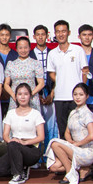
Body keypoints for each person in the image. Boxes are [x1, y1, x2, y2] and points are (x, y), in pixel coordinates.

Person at [0, 83, 45, 184]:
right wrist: (10, 141)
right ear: (15, 96)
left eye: (26, 94)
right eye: (20, 94)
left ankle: (18, 174)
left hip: (31, 149)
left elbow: (41, 137)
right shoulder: (11, 113)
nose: (23, 97)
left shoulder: (36, 114)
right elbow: (5, 135)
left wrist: (25, 142)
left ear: (30, 96)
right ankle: (22, 167)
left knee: (14, 145)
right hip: (14, 147)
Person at [46, 83, 93, 184]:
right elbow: (67, 133)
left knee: (55, 144)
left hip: (86, 151)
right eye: (75, 94)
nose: (77, 97)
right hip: (74, 148)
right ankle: (82, 169)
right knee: (54, 167)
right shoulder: (72, 113)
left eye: (81, 95)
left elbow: (92, 135)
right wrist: (70, 141)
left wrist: (78, 144)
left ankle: (70, 173)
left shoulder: (87, 114)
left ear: (87, 96)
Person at [46, 19, 88, 142]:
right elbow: (51, 73)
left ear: (68, 32)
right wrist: (61, 80)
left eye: (63, 31)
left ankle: (78, 152)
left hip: (75, 98)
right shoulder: (52, 53)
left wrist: (81, 90)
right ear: (55, 33)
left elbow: (85, 71)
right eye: (58, 32)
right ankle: (65, 153)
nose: (61, 34)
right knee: (63, 129)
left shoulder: (78, 50)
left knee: (78, 129)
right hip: (59, 97)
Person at [31, 24, 58, 160]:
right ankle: (36, 156)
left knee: (51, 126)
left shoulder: (54, 53)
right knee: (36, 125)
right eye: (38, 34)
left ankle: (49, 155)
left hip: (51, 92)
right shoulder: (30, 54)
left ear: (47, 36)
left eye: (43, 34)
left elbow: (58, 74)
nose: (40, 37)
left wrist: (52, 93)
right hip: (35, 93)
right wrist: (38, 94)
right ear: (34, 36)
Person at [4, 36, 45, 112]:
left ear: (29, 48)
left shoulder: (36, 63)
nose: (23, 50)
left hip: (32, 98)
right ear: (16, 49)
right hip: (15, 98)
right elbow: (6, 84)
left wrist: (30, 94)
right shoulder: (11, 64)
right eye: (20, 48)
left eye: (25, 47)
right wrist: (14, 95)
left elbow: (41, 83)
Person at [0, 23, 18, 117]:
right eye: (2, 35)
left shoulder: (16, 55)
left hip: (12, 94)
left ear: (10, 36)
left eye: (7, 35)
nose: (4, 37)